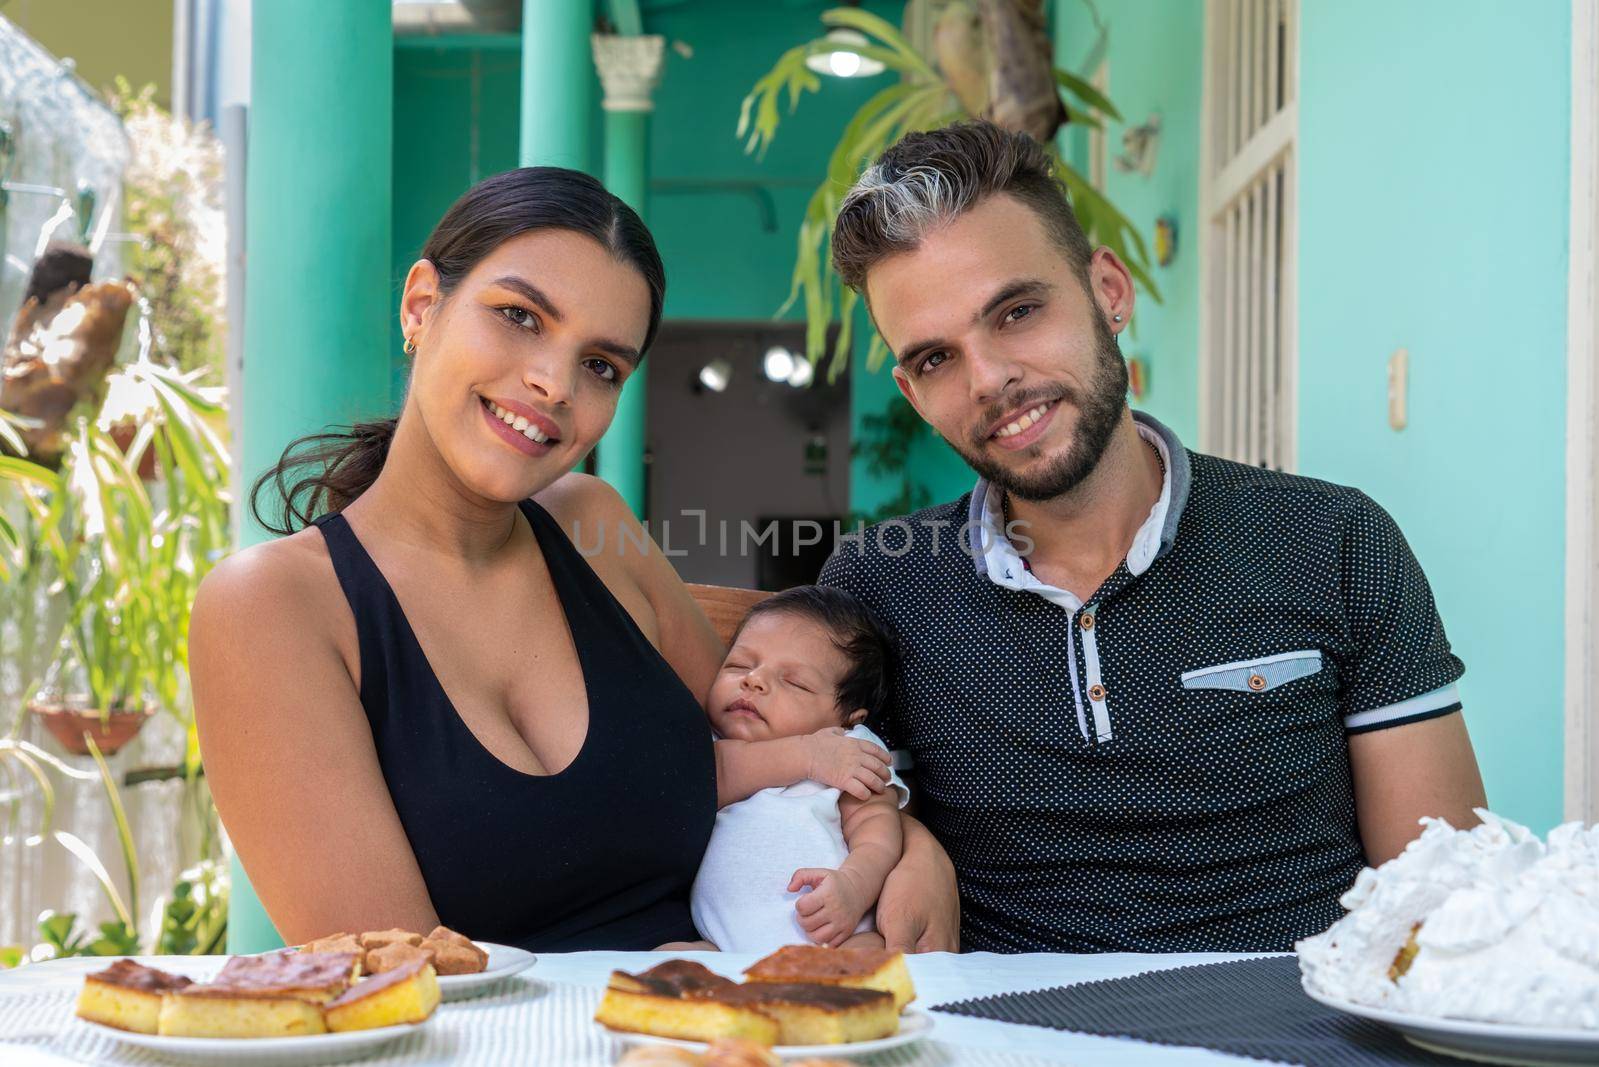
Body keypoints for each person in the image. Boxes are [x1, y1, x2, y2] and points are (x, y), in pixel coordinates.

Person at [190, 167, 957, 952]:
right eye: (520, 316)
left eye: (600, 366)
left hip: (746, 1021)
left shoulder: (591, 527)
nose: (552, 383)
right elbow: (398, 989)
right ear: (422, 305)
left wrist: (910, 846)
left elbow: (769, 746)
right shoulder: (275, 607)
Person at [818, 122, 1488, 953]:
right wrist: (909, 842)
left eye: (1018, 311)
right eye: (934, 359)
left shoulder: (1334, 542)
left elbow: (1443, 903)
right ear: (913, 394)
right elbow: (819, 825)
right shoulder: (879, 587)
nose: (989, 378)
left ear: (1108, 288)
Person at [691, 586, 908, 952]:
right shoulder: (704, 743)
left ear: (845, 718)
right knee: (664, 960)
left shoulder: (849, 749)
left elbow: (877, 832)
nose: (753, 680)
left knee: (876, 956)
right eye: (739, 665)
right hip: (723, 947)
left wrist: (854, 885)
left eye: (794, 682)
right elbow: (699, 785)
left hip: (835, 937)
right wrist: (802, 755)